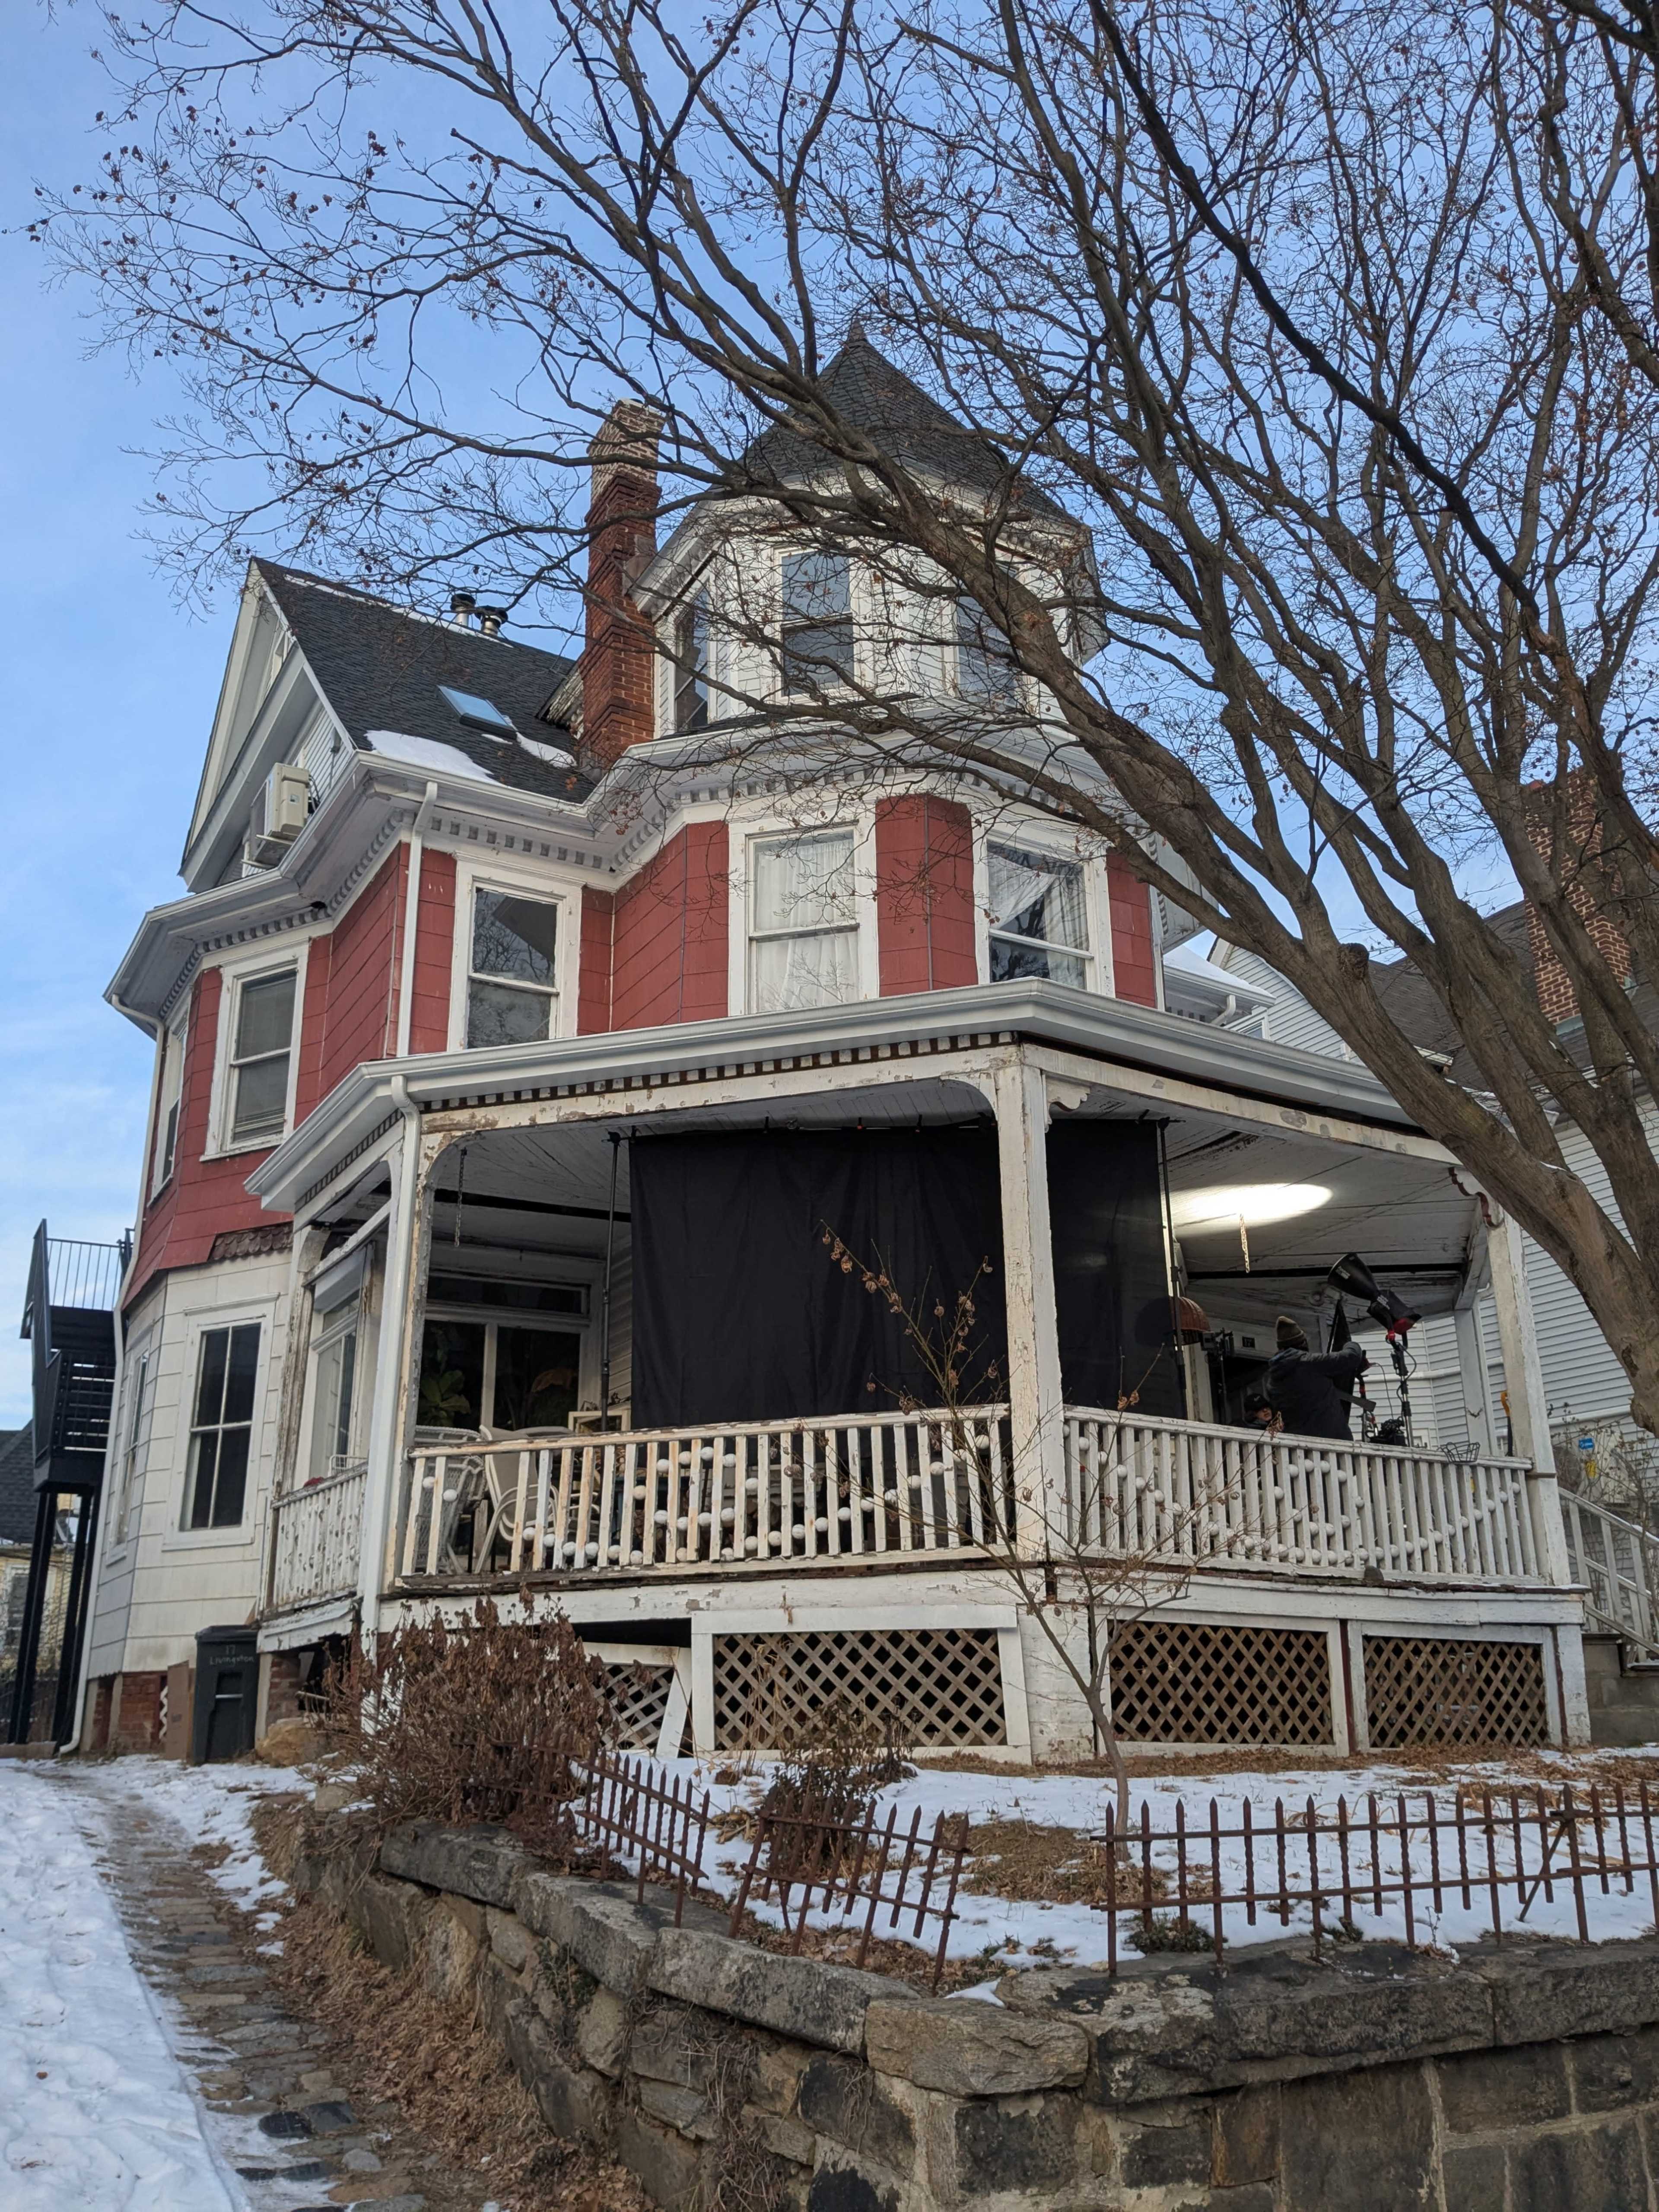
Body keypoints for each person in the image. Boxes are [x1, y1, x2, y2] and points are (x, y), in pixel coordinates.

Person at [1263, 1316, 1370, 1442]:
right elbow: (1352, 1356)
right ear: (1303, 1343)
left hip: (1299, 1448)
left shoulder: (1273, 1381)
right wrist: (1350, 1343)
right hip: (1333, 1444)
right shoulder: (1310, 1363)